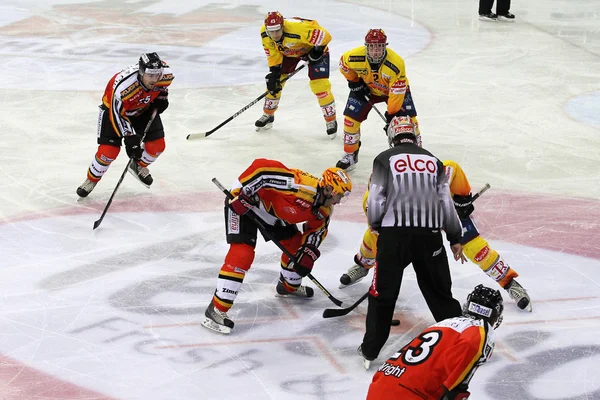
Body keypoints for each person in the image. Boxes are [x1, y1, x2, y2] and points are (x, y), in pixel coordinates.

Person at [339, 159, 532, 312]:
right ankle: (363, 265)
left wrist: (462, 199)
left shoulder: (427, 180)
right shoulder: (371, 204)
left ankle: (510, 283)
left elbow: (452, 168)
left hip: (445, 213)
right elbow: (379, 236)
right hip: (417, 229)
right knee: (371, 240)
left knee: (476, 249)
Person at [359, 116, 465, 365]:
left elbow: (376, 200)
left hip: (394, 238)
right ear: (415, 136)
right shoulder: (434, 161)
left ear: (393, 136)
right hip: (430, 238)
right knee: (440, 293)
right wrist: (454, 237)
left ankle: (370, 350)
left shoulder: (384, 159)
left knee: (382, 294)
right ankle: (461, 341)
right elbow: (445, 202)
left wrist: (376, 225)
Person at [201, 159, 352, 334]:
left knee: (297, 249)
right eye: (339, 196)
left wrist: (308, 254)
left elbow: (316, 232)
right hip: (245, 203)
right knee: (242, 253)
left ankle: (288, 286)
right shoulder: (300, 186)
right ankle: (216, 309)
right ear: (328, 189)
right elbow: (262, 168)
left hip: (275, 213)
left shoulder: (324, 209)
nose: (339, 201)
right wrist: (244, 193)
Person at [366, 284, 503, 399]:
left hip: (379, 385)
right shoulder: (481, 329)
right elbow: (470, 345)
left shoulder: (446, 322)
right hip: (411, 394)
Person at [76, 53, 174, 197]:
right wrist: (130, 138)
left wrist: (162, 97)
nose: (154, 79)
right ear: (141, 72)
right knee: (108, 152)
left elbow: (163, 87)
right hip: (114, 112)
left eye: (157, 75)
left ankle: (138, 165)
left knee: (157, 146)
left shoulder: (165, 74)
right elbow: (117, 115)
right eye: (150, 75)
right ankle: (91, 180)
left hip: (142, 108)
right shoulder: (124, 87)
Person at [336, 29, 421, 171]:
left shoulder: (396, 63)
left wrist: (392, 116)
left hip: (393, 92)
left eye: (379, 47)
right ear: (366, 46)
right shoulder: (354, 56)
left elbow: (396, 93)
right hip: (367, 88)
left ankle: (417, 153)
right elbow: (343, 65)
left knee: (408, 120)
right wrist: (354, 81)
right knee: (350, 120)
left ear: (385, 47)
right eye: (372, 47)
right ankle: (350, 154)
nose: (376, 51)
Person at [256, 11, 338, 138]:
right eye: (271, 31)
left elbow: (325, 35)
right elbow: (273, 53)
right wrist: (274, 72)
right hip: (288, 52)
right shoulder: (265, 34)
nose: (275, 34)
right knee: (275, 82)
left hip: (312, 49)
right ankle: (268, 114)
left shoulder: (298, 29)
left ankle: (331, 120)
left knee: (320, 85)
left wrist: (317, 51)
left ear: (283, 26)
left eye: (277, 30)